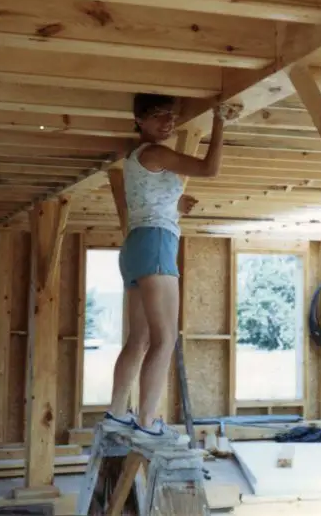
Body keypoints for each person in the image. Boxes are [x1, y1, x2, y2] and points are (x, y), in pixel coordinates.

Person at [102, 93, 236, 443]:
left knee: (140, 338)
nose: (168, 122)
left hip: (137, 245)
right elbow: (210, 168)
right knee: (165, 339)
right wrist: (221, 121)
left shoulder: (136, 160)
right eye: (159, 116)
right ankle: (146, 420)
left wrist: (176, 207)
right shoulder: (156, 152)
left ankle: (117, 413)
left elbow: (149, 202)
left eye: (171, 116)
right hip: (157, 243)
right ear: (140, 121)